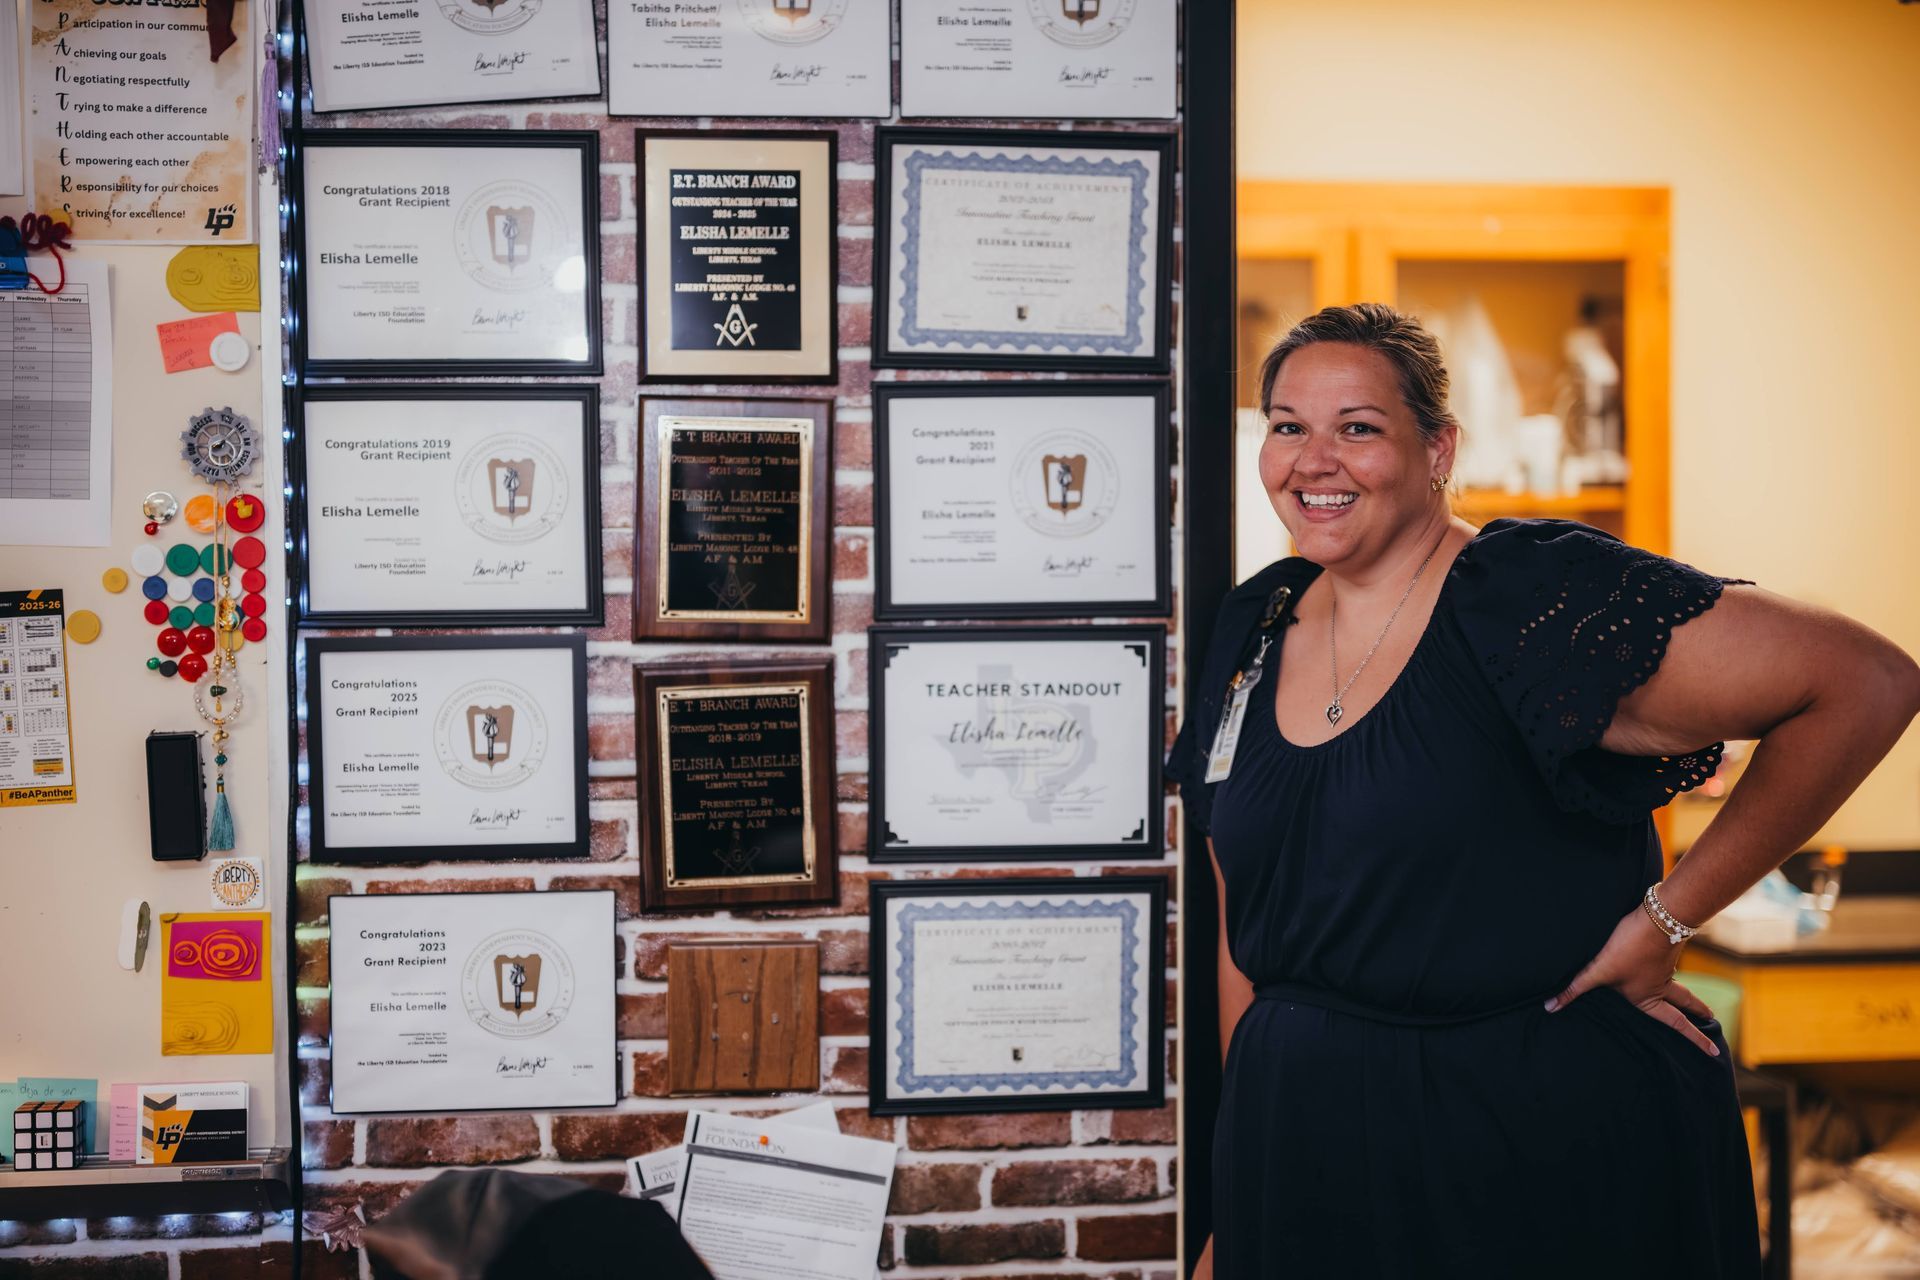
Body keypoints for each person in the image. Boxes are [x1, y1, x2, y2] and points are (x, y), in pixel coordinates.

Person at [1170, 304, 1920, 1278]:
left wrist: (1665, 922)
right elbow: (1244, 914)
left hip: (1525, 1150)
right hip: (1305, 1148)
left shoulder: (1526, 598)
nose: (1314, 459)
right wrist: (1243, 1191)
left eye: (1357, 427)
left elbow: (1866, 682)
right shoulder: (1253, 623)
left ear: (1437, 448)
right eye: (1286, 424)